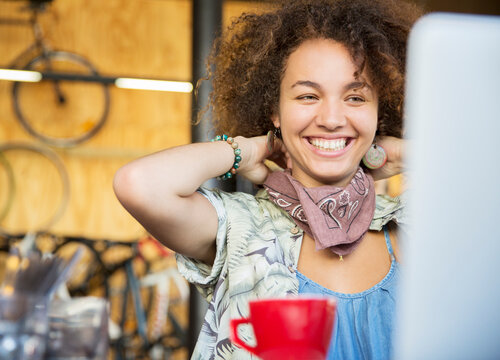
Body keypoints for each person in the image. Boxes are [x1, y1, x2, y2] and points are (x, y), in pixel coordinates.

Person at [113, 0, 423, 358]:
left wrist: (405, 153)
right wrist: (246, 151)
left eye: (355, 97)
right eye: (308, 96)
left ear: (377, 111)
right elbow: (138, 183)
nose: (333, 118)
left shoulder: (410, 225)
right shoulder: (240, 228)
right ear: (275, 110)